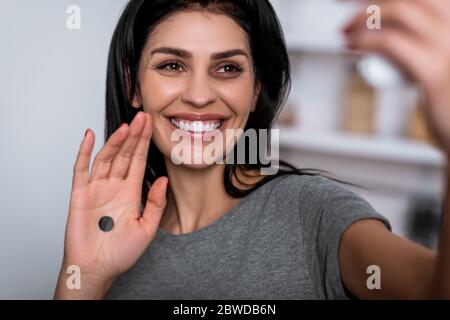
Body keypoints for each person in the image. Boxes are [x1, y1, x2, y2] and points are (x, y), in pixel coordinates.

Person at [54, 0, 450, 299]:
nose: (198, 96)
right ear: (133, 85)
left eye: (227, 68)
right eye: (172, 65)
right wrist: (84, 276)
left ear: (256, 89)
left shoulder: (313, 212)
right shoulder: (110, 232)